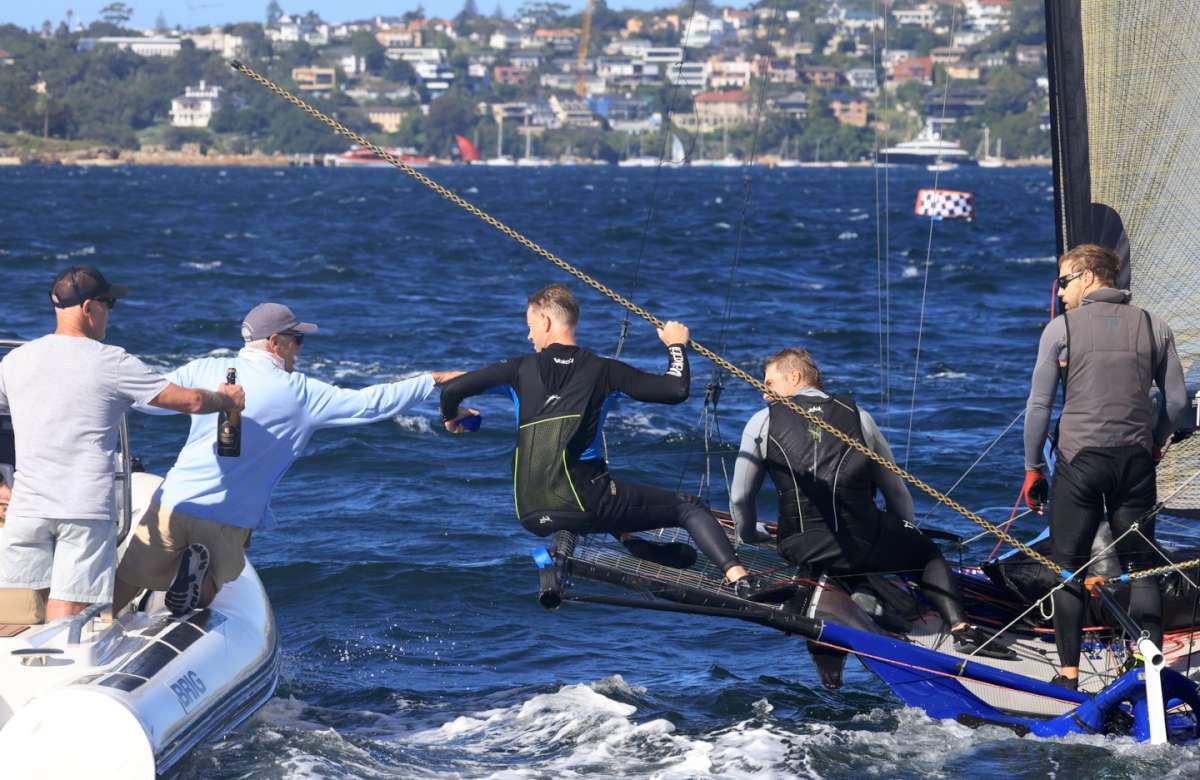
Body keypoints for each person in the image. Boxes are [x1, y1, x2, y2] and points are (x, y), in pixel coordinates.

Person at [440, 283, 784, 600]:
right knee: (688, 507)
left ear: (545, 321)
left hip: (530, 511)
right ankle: (741, 580)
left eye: (529, 325)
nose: (529, 335)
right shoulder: (605, 371)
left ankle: (629, 541)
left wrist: (451, 417)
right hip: (583, 501)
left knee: (597, 496)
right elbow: (675, 390)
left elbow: (454, 388)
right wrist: (676, 346)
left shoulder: (516, 370)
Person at [115, 302, 462, 615]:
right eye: (297, 340)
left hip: (173, 502)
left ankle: (92, 630)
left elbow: (148, 399)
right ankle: (198, 581)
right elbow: (369, 404)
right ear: (275, 342)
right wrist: (432, 380)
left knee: (129, 577)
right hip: (227, 517)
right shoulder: (302, 393)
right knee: (207, 592)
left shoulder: (205, 368)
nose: (298, 350)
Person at [729, 347, 1010, 657]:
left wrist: (748, 535)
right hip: (863, 544)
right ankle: (961, 629)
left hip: (799, 547)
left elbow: (740, 497)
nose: (765, 395)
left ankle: (863, 595)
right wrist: (904, 532)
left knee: (831, 547)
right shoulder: (858, 416)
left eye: (769, 384)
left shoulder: (761, 422)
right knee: (927, 553)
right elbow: (897, 493)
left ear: (793, 377)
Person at [0, 266, 244, 622]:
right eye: (108, 303)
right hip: (81, 510)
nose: (110, 312)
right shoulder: (112, 361)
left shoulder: (15, 361)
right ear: (88, 308)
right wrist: (226, 400)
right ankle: (68, 672)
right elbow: (189, 401)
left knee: (18, 610)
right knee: (69, 611)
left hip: (26, 507)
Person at [1021, 243, 1189, 690]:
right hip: (1135, 464)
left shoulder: (1061, 330)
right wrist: (1154, 444)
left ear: (1090, 276)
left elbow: (1038, 407)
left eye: (1064, 281)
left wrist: (1033, 466)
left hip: (1080, 465)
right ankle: (1144, 669)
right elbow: (1176, 402)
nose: (1059, 293)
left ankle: (1069, 676)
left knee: (1067, 567)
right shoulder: (1156, 325)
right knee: (1142, 565)